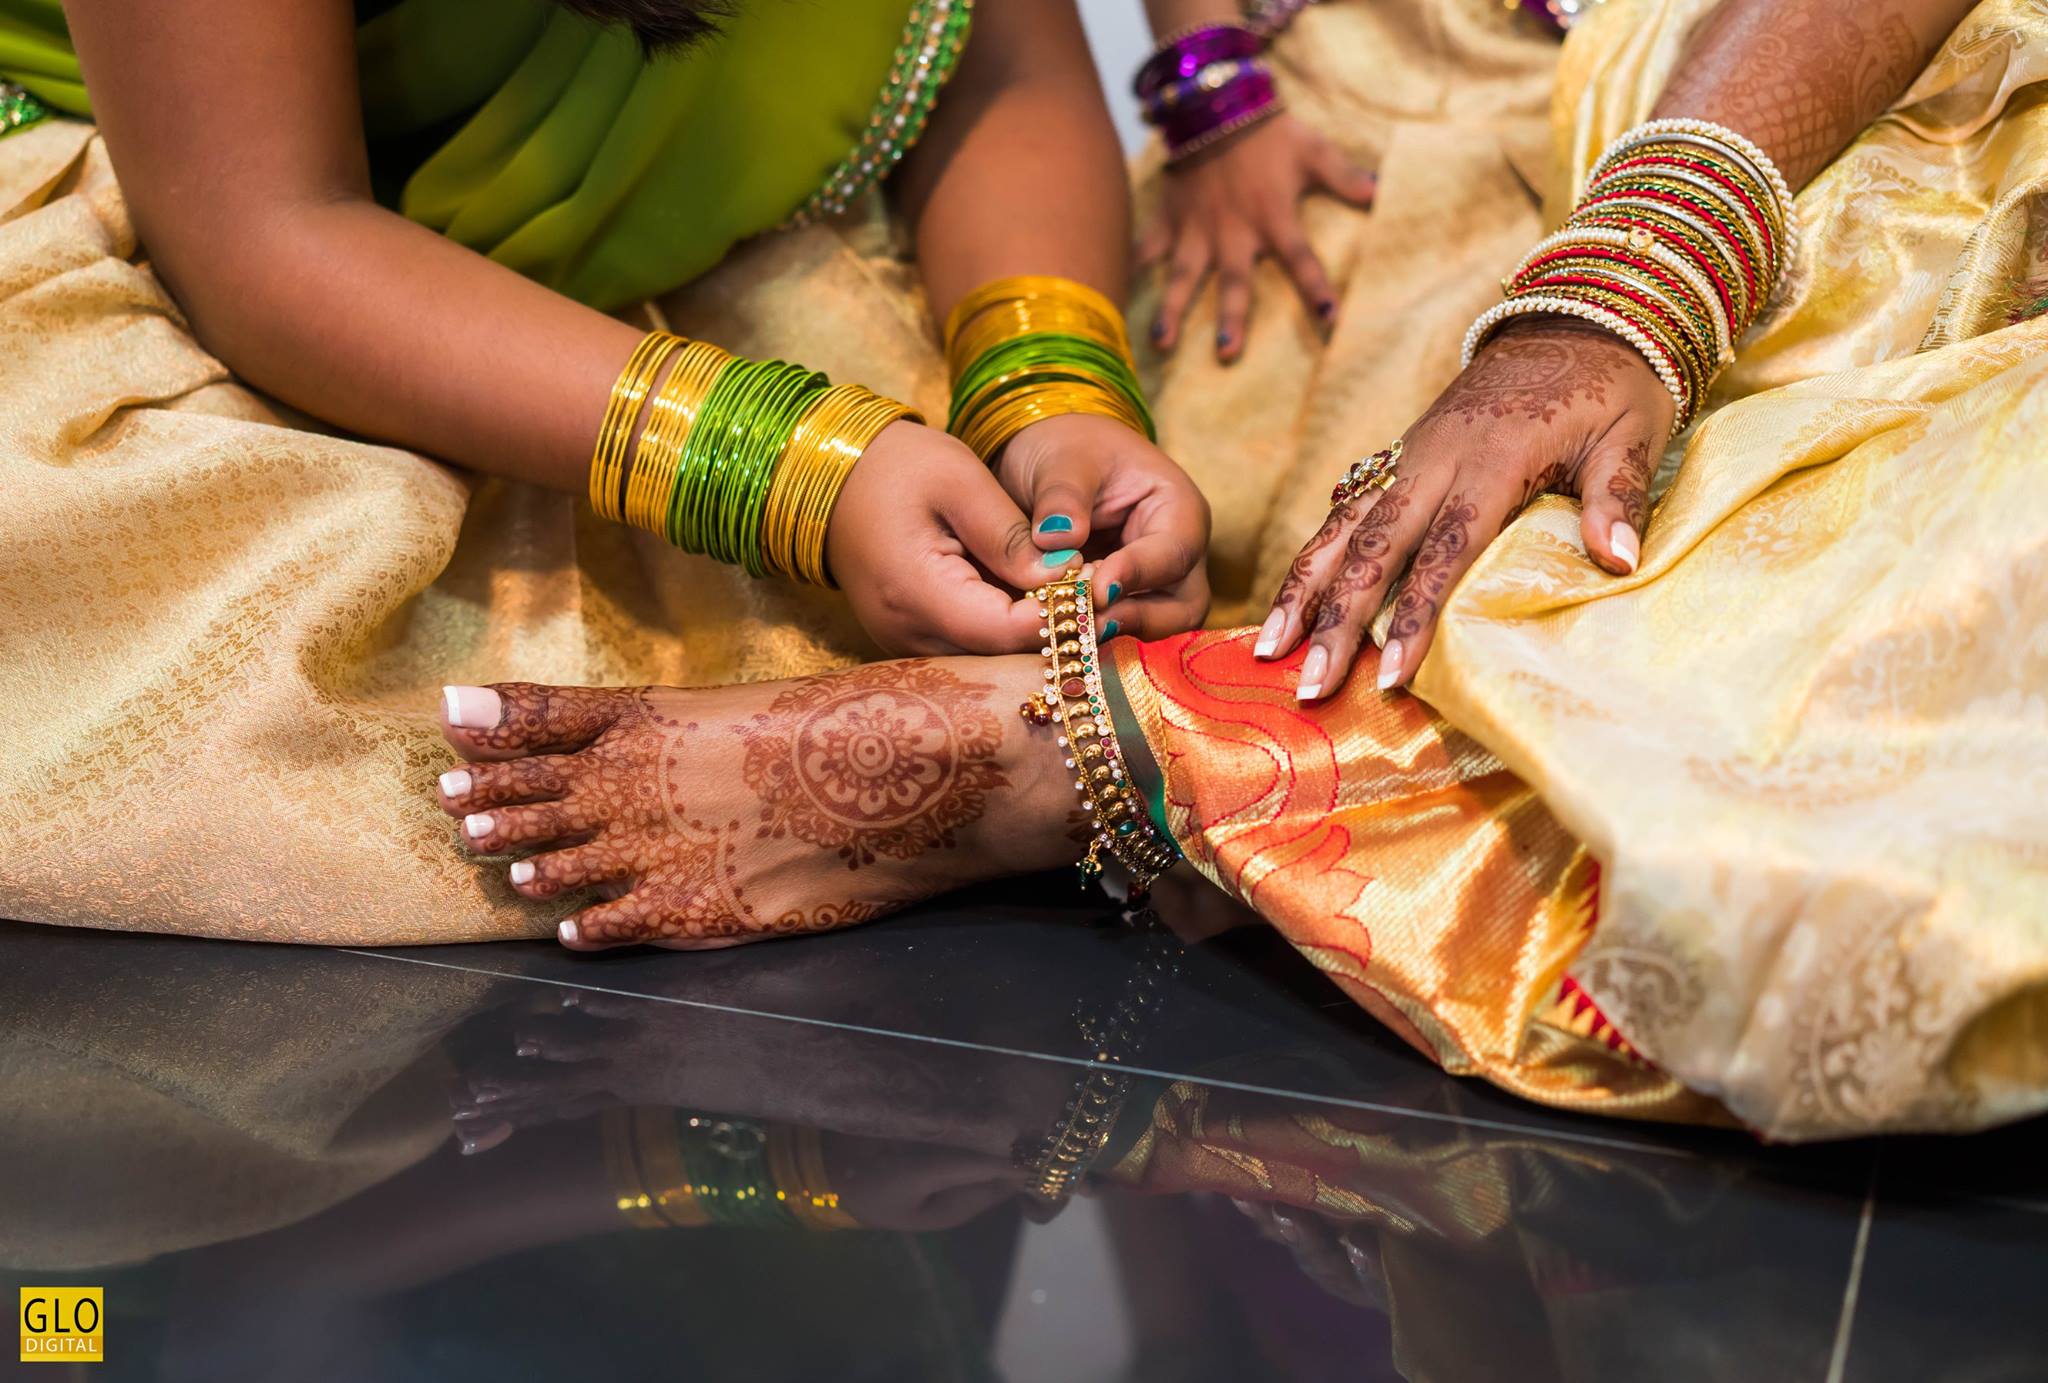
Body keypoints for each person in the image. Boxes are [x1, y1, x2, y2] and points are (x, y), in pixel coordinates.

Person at [423, 0, 2048, 1143]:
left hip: (1803, 91)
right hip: (1384, 107)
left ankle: (1103, 747)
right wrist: (1206, 81)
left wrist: (1637, 279)